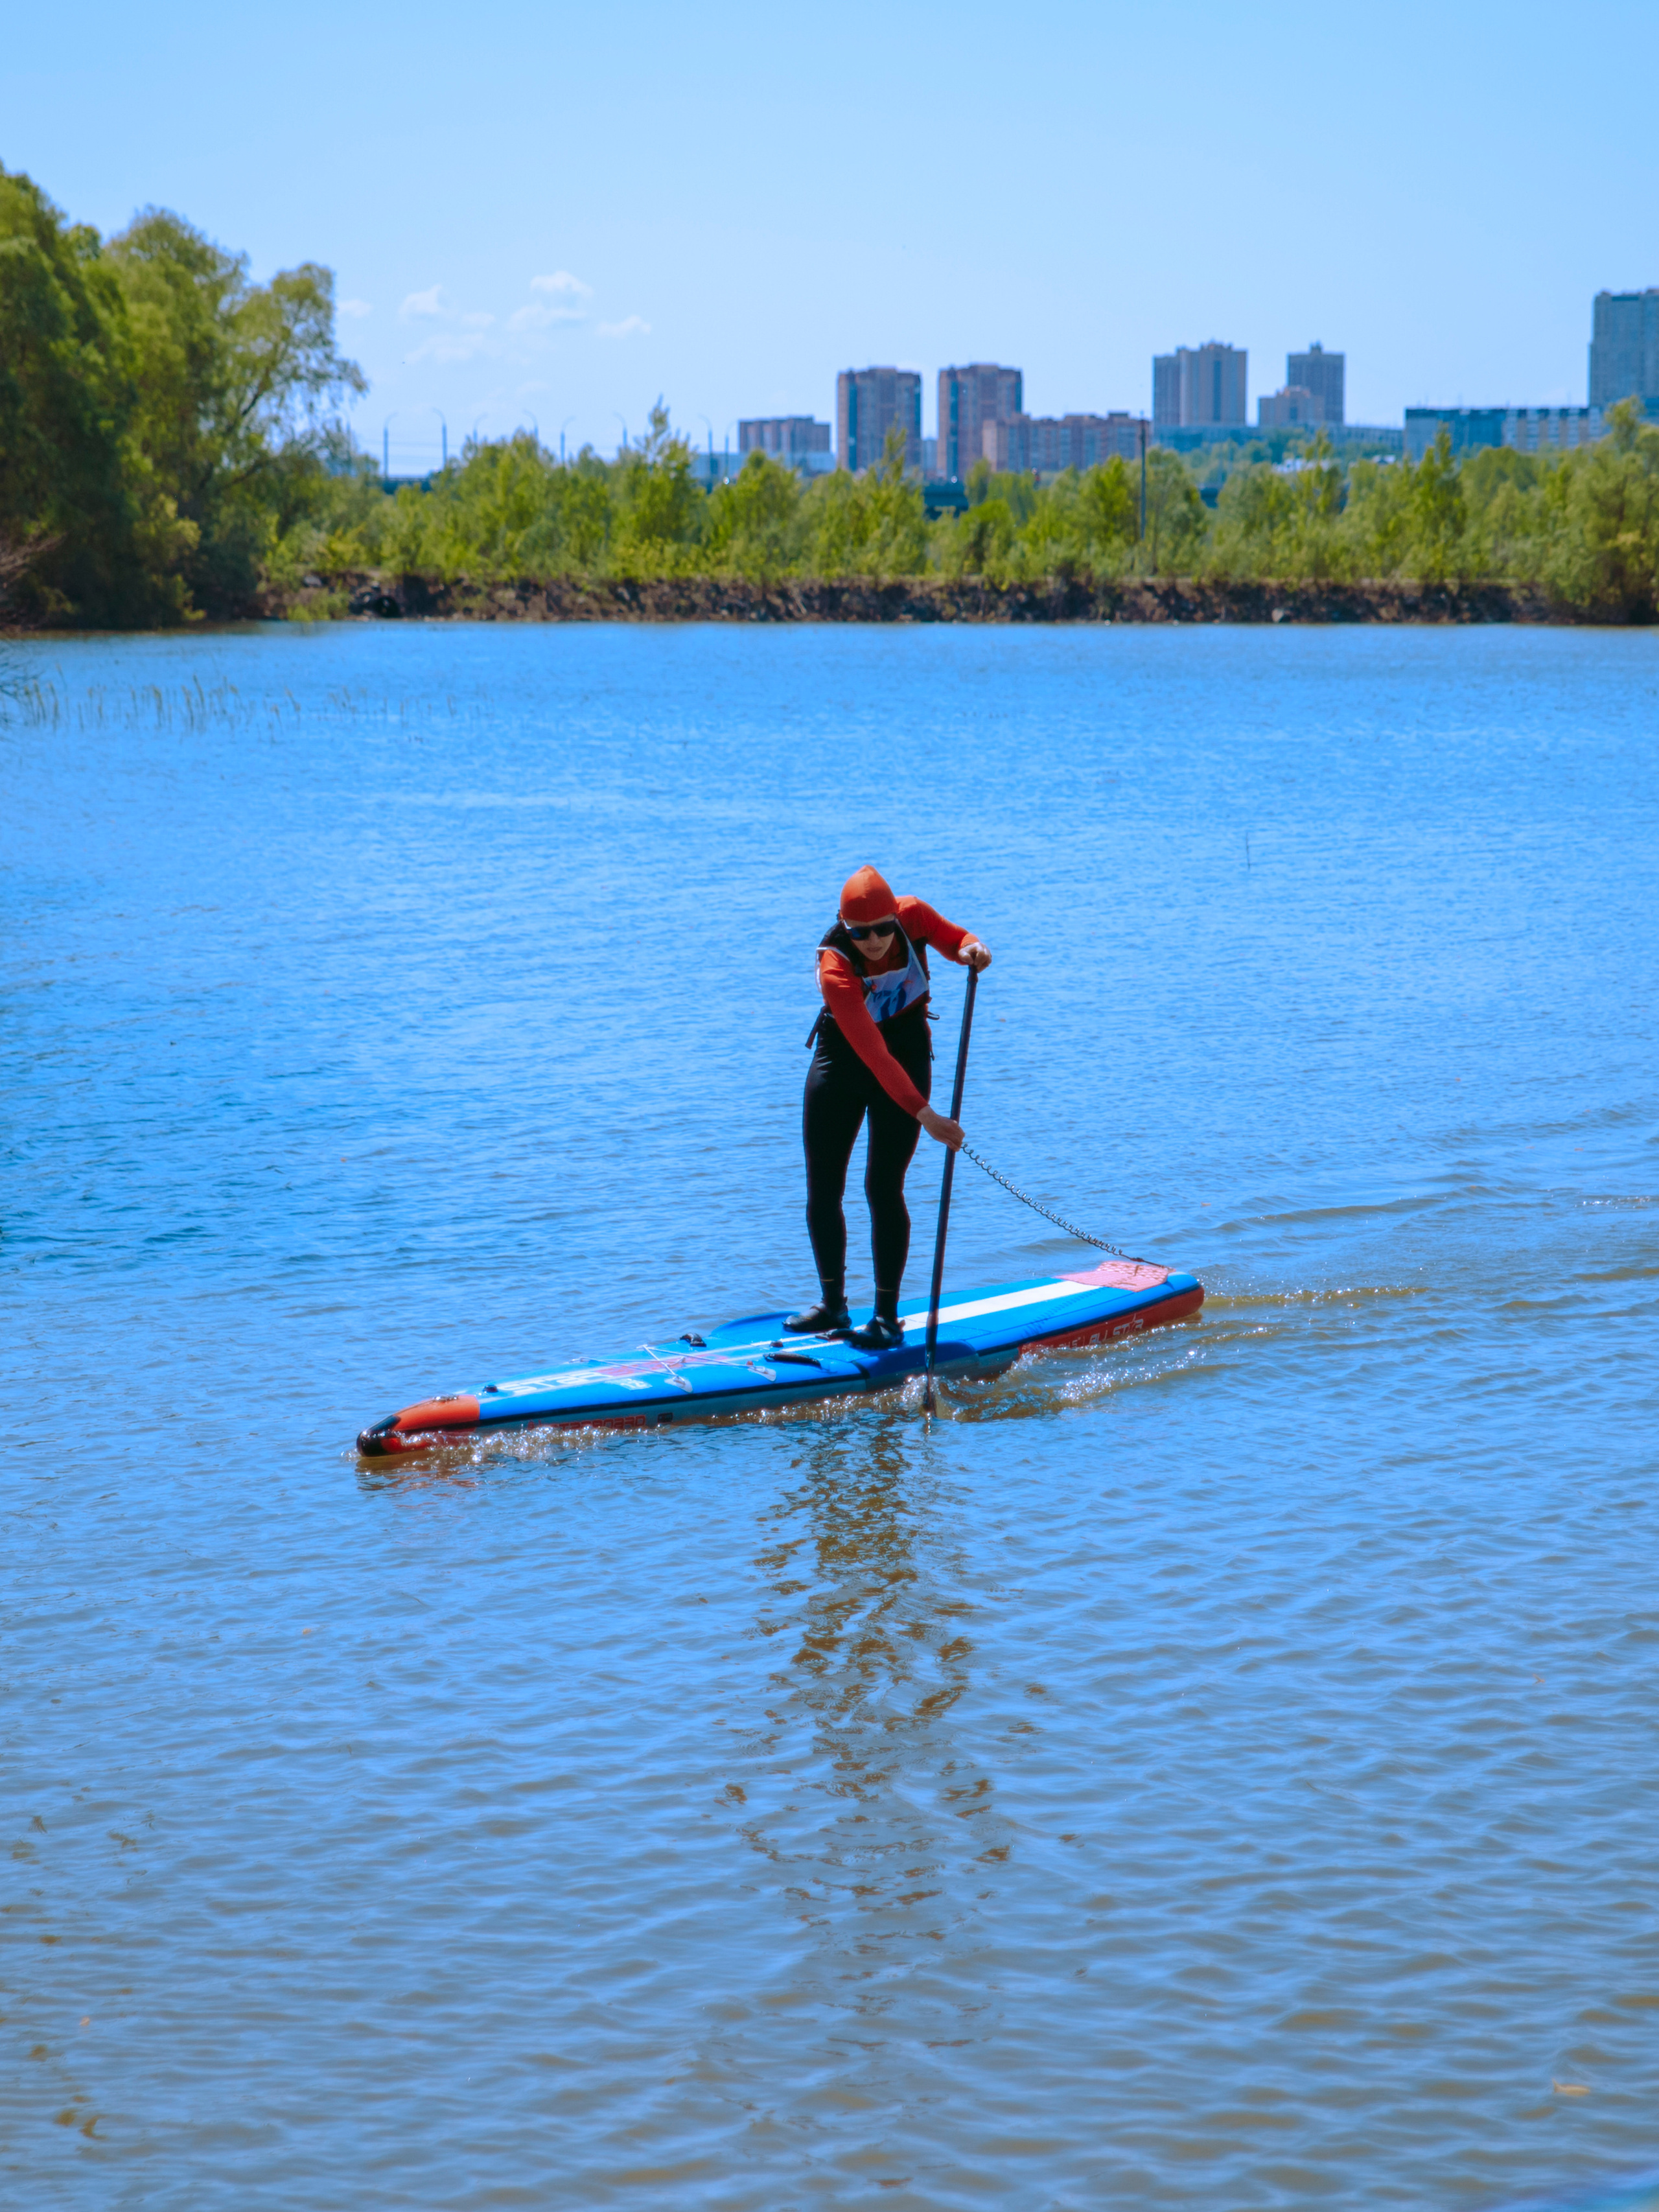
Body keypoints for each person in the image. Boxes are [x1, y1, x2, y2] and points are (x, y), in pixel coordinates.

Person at [788, 864, 992, 1349]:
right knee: (823, 1186)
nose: (876, 940)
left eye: (883, 928)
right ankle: (833, 1305)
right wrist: (927, 1115)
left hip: (908, 1054)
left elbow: (954, 938)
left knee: (882, 1186)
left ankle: (886, 1316)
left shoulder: (914, 915)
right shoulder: (834, 968)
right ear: (843, 925)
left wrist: (972, 949)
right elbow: (872, 1055)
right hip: (845, 1060)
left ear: (894, 916)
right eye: (862, 933)